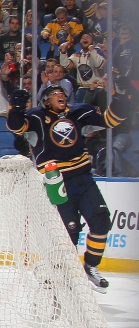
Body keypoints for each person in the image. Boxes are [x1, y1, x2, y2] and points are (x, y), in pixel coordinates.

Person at [7, 81, 134, 293]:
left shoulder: (78, 113)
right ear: (45, 100)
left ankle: (90, 266)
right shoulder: (38, 117)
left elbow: (109, 120)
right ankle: (60, 273)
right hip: (57, 182)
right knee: (69, 233)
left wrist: (120, 100)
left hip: (83, 178)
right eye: (54, 93)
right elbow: (16, 127)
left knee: (102, 221)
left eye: (62, 92)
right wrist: (15, 108)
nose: (60, 95)